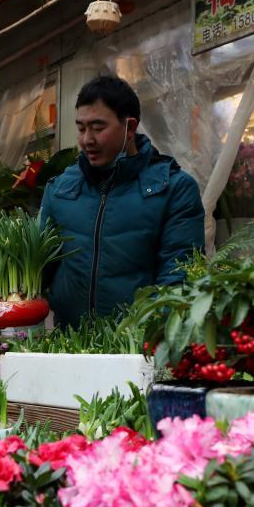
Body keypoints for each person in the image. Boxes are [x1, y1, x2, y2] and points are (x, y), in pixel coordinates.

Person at [40, 75, 205, 326]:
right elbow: (39, 270)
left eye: (98, 128)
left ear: (130, 127)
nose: (87, 140)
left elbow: (179, 276)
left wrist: (149, 340)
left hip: (138, 349)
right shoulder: (60, 190)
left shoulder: (173, 189)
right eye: (81, 128)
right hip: (70, 347)